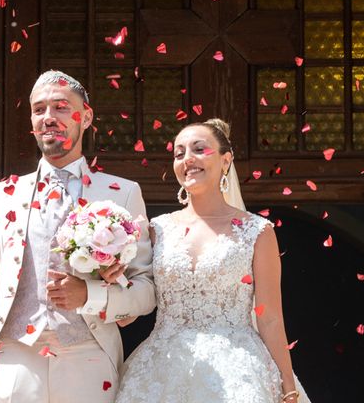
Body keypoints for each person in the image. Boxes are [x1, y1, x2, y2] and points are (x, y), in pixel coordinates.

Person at [0, 70, 156, 403]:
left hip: (89, 355)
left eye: (60, 107)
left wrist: (90, 295)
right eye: (39, 109)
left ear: (85, 116)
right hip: (16, 356)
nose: (48, 117)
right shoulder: (2, 196)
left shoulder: (123, 194)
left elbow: (145, 292)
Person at [111, 118, 311, 403]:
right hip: (161, 369)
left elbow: (269, 318)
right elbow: (130, 312)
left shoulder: (257, 231)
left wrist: (288, 386)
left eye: (198, 149)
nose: (187, 159)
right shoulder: (157, 230)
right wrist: (110, 276)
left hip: (238, 370)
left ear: (225, 160)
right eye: (179, 153)